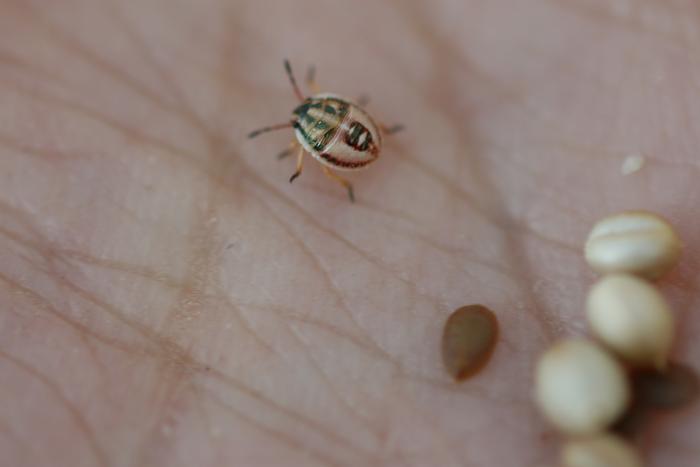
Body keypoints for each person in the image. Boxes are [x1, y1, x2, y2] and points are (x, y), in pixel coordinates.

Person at [0, 1, 696, 466]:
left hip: (351, 149)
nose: (308, 113)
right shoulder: (321, 122)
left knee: (336, 155)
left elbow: (332, 121)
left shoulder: (315, 134)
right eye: (305, 116)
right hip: (353, 147)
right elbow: (338, 113)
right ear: (309, 119)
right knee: (341, 148)